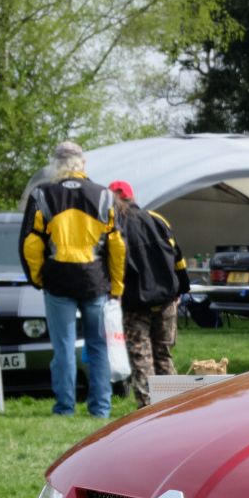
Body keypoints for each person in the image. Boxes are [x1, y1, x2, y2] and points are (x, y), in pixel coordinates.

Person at [20, 140, 123, 418]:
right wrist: (117, 285)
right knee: (98, 346)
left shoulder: (42, 194)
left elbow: (31, 243)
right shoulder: (103, 195)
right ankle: (101, 408)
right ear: (82, 163)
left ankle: (65, 407)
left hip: (58, 280)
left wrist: (37, 277)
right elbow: (117, 245)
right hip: (95, 280)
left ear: (56, 165)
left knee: (63, 348)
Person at [109, 180, 189, 407]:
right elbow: (178, 257)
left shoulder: (114, 224)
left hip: (135, 303)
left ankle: (146, 407)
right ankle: (174, 405)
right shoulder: (157, 219)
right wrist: (181, 288)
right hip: (166, 300)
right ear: (132, 197)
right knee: (163, 354)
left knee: (141, 357)